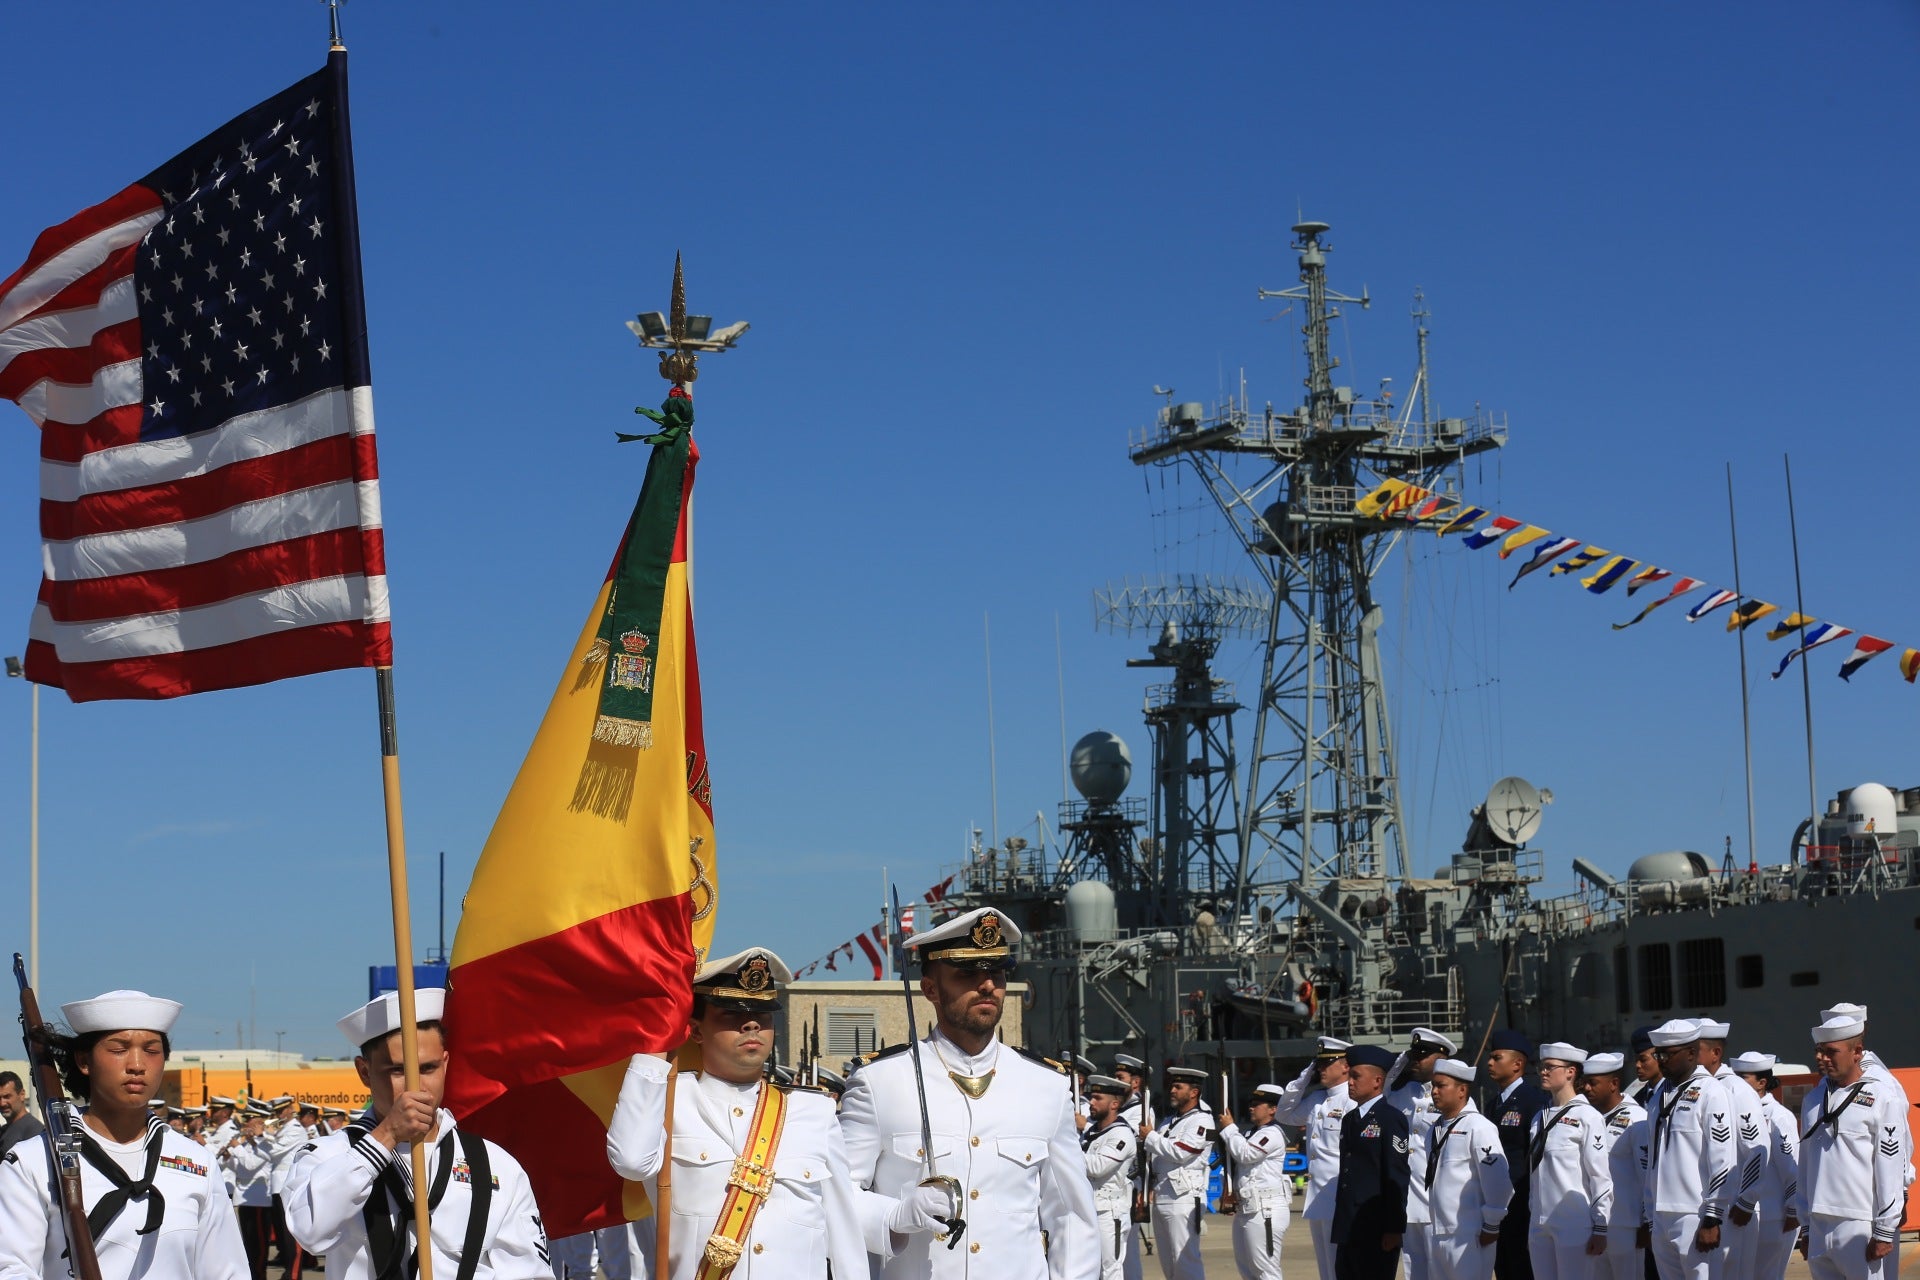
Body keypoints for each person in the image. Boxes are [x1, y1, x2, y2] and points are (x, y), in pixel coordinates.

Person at [837, 906, 1099, 1279]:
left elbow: (1072, 1215)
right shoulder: (881, 1082)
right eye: (967, 974)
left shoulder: (1046, 1085)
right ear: (930, 989)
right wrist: (893, 1215)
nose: (987, 984)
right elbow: (836, 1198)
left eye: (996, 972)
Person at [604, 948, 864, 1280]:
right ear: (695, 1031)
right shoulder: (670, 1101)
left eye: (763, 1015)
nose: (752, 1023)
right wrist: (657, 1040)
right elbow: (630, 1160)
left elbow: (844, 1231)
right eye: (731, 1014)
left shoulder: (814, 1112)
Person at [280, 988, 550, 1280]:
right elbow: (310, 1231)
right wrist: (386, 1136)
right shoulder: (327, 1155)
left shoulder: (495, 1163)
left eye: (429, 1068)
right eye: (398, 1070)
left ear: (446, 1064)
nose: (416, 1086)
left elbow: (529, 1271)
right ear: (365, 1072)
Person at [0, 989, 249, 1280]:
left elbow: (227, 1272)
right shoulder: (31, 1162)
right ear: (84, 1060)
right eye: (119, 1049)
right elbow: (11, 1268)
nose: (137, 1065)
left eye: (152, 1051)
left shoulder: (197, 1161)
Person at [1792, 1013, 1906, 1280]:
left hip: (1858, 1221)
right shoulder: (1813, 1099)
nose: (1821, 1058)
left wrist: (1885, 1229)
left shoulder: (1881, 1097)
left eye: (1831, 1052)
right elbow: (1805, 1165)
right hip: (1819, 1221)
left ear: (1857, 1052)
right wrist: (1806, 1227)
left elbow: (1890, 1166)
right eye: (1819, 1051)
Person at [1637, 1019, 1732, 1280]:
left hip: (1694, 1213)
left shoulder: (1711, 1091)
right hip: (1661, 1213)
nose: (1661, 1060)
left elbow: (1722, 1156)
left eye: (1667, 1054)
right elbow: (1653, 1160)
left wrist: (1713, 1215)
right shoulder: (1658, 1097)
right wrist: (1650, 1212)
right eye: (1658, 1054)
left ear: (1691, 1053)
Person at [1419, 1058, 1511, 1280]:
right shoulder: (1435, 1129)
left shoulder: (1478, 1127)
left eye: (1442, 1086)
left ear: (1461, 1090)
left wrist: (1491, 1224)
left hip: (1469, 1234)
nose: (1435, 1092)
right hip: (1438, 1230)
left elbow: (1498, 1181)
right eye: (1434, 1086)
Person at [1524, 1043, 1609, 1280]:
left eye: (1550, 1067)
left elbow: (1599, 1176)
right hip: (1540, 1222)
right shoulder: (1538, 1118)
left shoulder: (1587, 1116)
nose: (1543, 1071)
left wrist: (1601, 1226)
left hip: (1573, 1222)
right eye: (1541, 1066)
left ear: (1571, 1072)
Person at [1272, 1036, 1352, 1280]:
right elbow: (1284, 1114)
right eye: (1318, 1064)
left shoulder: (1352, 1100)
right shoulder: (1317, 1100)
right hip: (1318, 1197)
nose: (1320, 1069)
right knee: (1326, 1268)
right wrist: (1304, 1078)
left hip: (1340, 1194)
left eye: (1326, 1064)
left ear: (1345, 1066)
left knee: (1342, 1266)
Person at [1688, 1019, 1761, 1278]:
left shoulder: (1736, 1089)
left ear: (1715, 1053)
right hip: (1706, 1207)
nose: (1687, 1055)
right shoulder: (1691, 1089)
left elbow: (1756, 1148)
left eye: (1693, 1050)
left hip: (1733, 1210)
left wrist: (1746, 1201)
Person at [1331, 1044, 1408, 1280]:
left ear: (1377, 1081)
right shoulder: (1350, 1120)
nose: (1349, 1082)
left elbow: (1396, 1175)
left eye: (1355, 1076)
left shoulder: (1390, 1118)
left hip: (1376, 1227)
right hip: (1348, 1226)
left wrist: (1394, 1227)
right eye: (1349, 1076)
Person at [1388, 1029, 1455, 1280]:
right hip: (1409, 1203)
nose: (1417, 1060)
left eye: (1423, 1055)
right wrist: (1401, 1061)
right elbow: (1379, 1092)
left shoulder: (1455, 1098)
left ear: (1442, 1059)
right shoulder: (1405, 1093)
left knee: (1442, 1273)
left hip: (1438, 1204)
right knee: (1413, 1272)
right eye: (1414, 1054)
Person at [1725, 1053, 1798, 1280]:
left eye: (1742, 1077)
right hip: (1744, 1212)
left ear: (1762, 1082)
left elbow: (1791, 1167)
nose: (1735, 1082)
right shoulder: (1733, 1110)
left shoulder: (1778, 1116)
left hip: (1772, 1215)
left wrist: (1793, 1210)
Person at [1484, 1030, 1548, 1280]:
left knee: (1523, 1268)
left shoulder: (1533, 1101)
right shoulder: (1492, 1104)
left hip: (1522, 1202)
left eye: (1497, 1058)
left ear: (1517, 1064)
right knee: (1503, 1267)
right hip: (1496, 1204)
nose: (1490, 1063)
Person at [1576, 1053, 1645, 1280]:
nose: (1586, 1088)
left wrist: (1646, 1220)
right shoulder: (1585, 1117)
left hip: (1624, 1222)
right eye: (1584, 1082)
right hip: (1592, 1222)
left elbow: (1647, 1174)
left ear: (1614, 1084)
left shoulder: (1636, 1119)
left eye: (1592, 1082)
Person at [1141, 1064, 1212, 1280]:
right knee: (1169, 1263)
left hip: (1183, 1197)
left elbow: (1183, 1152)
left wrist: (1151, 1137)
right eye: (1172, 1086)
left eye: (1178, 1087)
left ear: (1194, 1092)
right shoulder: (1169, 1121)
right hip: (1163, 1194)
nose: (1172, 1090)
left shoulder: (1202, 1120)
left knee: (1184, 1260)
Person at [1218, 1082, 1288, 1280]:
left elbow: (1246, 1154)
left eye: (1257, 1103)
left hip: (1265, 1209)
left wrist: (1230, 1129)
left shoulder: (1272, 1133)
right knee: (1247, 1269)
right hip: (1247, 1207)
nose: (1251, 1107)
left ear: (1273, 1109)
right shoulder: (1251, 1133)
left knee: (1265, 1270)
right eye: (1251, 1102)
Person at [1081, 1075, 1139, 1280]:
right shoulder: (1091, 1133)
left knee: (1109, 1270)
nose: (1091, 1102)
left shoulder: (1121, 1134)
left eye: (1097, 1098)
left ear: (1114, 1104)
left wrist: (1066, 1153)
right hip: (1088, 1208)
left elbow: (1097, 1167)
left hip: (1109, 1212)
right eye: (1091, 1097)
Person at [221, 1110, 275, 1280]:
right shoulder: (246, 1145)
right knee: (248, 1243)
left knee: (259, 1244)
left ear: (260, 1123)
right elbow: (241, 1170)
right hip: (244, 1199)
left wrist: (236, 1147)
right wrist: (228, 1157)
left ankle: (259, 1275)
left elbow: (251, 1165)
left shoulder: (266, 1144)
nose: (246, 1126)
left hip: (259, 1199)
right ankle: (251, 1274)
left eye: (250, 1122)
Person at [0, 1073, 44, 1160]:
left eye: (7, 1097)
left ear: (22, 1095)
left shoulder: (33, 1129)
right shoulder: (3, 1130)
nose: (2, 1103)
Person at [1623, 1030, 1659, 1109]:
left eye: (1643, 1060)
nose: (1637, 1065)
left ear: (1659, 1057)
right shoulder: (1638, 1098)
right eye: (1636, 1060)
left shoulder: (1674, 1092)